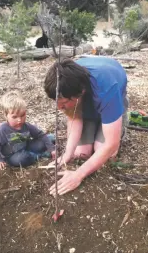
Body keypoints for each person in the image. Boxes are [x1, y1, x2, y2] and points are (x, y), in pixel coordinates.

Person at [44, 57, 128, 196]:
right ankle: (95, 120)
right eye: (56, 102)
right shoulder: (66, 82)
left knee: (106, 154)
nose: (60, 108)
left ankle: (115, 122)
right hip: (85, 99)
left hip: (110, 96)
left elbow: (111, 144)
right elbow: (74, 117)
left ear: (80, 93)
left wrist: (78, 175)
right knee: (81, 153)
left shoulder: (107, 88)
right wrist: (67, 154)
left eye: (63, 103)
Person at [0, 90, 55, 170]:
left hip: (26, 146)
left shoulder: (26, 126)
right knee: (22, 159)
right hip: (12, 155)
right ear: (6, 115)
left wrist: (51, 148)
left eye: (22, 115)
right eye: (15, 117)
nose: (19, 120)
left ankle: (39, 151)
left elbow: (40, 134)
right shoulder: (2, 130)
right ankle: (39, 155)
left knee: (51, 138)